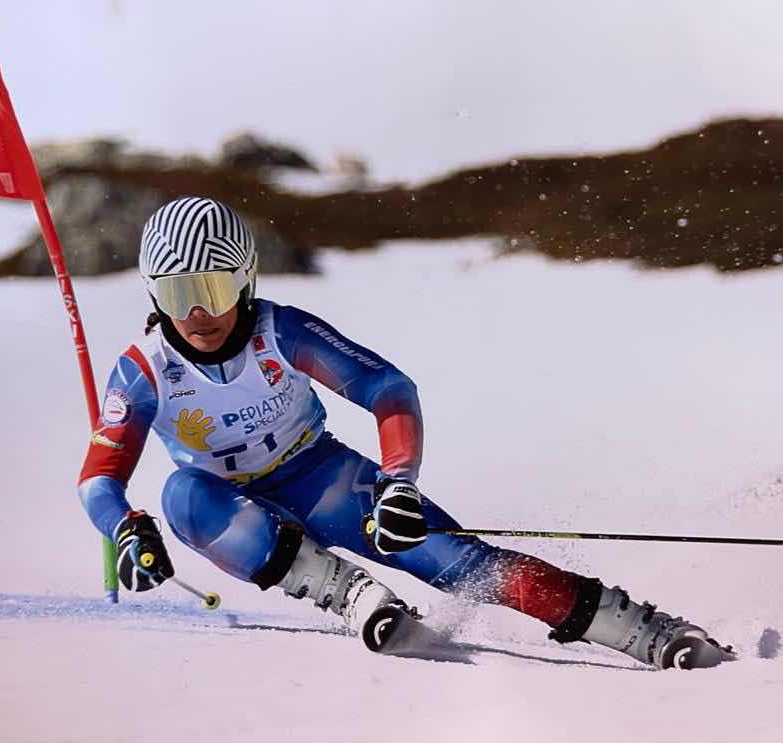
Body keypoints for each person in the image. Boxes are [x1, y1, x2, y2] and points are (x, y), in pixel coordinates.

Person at [77, 196, 733, 669]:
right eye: (177, 293)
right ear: (153, 295)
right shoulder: (144, 372)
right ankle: (351, 594)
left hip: (322, 478)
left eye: (215, 288)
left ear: (246, 280)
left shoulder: (281, 331)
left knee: (463, 566)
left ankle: (643, 631)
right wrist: (126, 529)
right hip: (230, 507)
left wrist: (398, 483)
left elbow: (389, 390)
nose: (198, 313)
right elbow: (98, 481)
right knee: (182, 496)